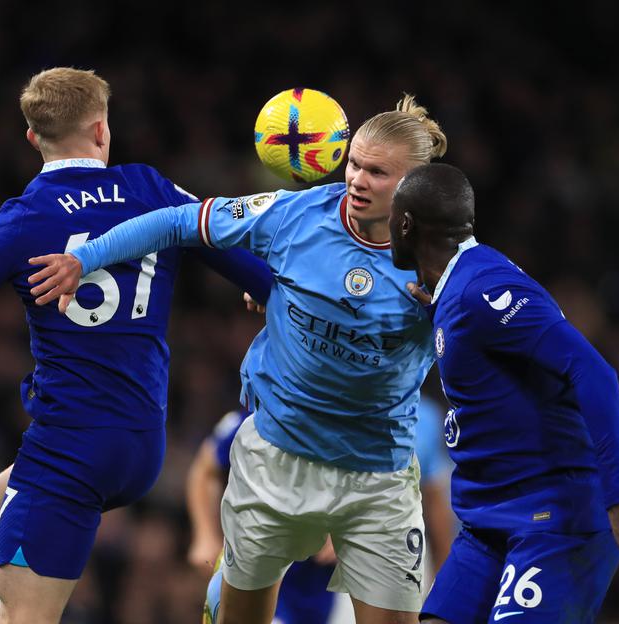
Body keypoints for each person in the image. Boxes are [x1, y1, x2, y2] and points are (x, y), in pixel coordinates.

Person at [0, 67, 274, 624]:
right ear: (101, 130)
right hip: (142, 444)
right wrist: (259, 292)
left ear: (33, 138)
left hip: (70, 452)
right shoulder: (151, 188)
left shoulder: (19, 221)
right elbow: (245, 260)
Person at [28, 94, 448, 624]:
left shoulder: (445, 262)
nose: (357, 180)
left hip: (378, 478)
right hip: (278, 458)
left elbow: (508, 337)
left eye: (377, 173)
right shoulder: (294, 215)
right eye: (354, 164)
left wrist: (449, 313)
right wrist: (84, 257)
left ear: (414, 186)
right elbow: (175, 222)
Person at [386, 163, 619, 623]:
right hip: (487, 520)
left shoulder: (483, 289)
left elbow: (594, 373)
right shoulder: (454, 292)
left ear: (404, 224)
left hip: (552, 515)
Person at [189, 404, 455, 624]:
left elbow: (434, 504)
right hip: (275, 576)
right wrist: (205, 535)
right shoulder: (277, 407)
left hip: (342, 586)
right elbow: (206, 467)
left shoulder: (419, 421)